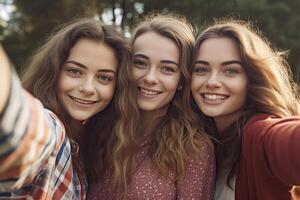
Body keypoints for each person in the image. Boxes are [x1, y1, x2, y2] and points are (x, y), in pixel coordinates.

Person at [0, 17, 137, 199]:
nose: (87, 88)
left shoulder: (87, 151)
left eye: (104, 77)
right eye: (75, 71)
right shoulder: (52, 130)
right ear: (53, 72)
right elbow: (20, 127)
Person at [87, 14, 215, 200]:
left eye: (167, 68)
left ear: (181, 80)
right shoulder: (99, 127)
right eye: (140, 63)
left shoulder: (193, 149)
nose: (150, 78)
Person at [191, 19, 300, 200]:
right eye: (201, 69)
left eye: (231, 71)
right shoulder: (201, 145)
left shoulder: (260, 133)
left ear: (252, 79)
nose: (211, 82)